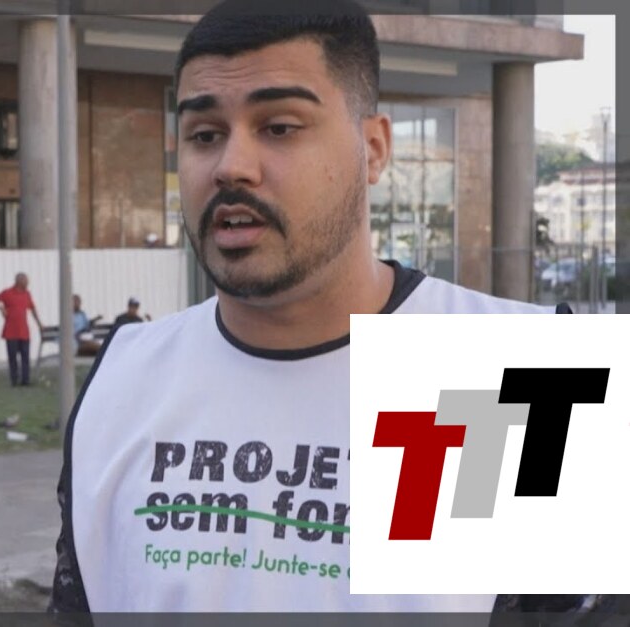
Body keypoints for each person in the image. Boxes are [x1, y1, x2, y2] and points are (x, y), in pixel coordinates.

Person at [49, 0, 584, 614]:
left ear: (373, 148)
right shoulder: (123, 377)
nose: (231, 167)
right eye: (205, 135)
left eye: (279, 127)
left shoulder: (530, 368)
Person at [0, 273, 43, 386]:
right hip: (11, 332)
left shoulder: (27, 294)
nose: (27, 283)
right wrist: (1, 308)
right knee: (12, 357)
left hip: (24, 332)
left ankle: (25, 380)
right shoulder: (7, 293)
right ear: (19, 281)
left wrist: (39, 324)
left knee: (25, 357)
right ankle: (14, 380)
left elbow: (32, 309)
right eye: (25, 281)